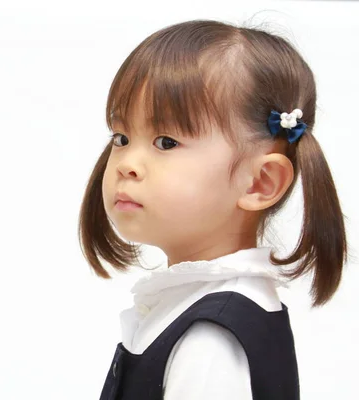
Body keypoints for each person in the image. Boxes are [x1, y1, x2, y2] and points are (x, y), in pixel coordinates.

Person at [78, 19, 347, 400]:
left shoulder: (211, 342)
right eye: (122, 137)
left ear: (260, 182)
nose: (126, 163)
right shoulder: (193, 312)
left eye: (166, 142)